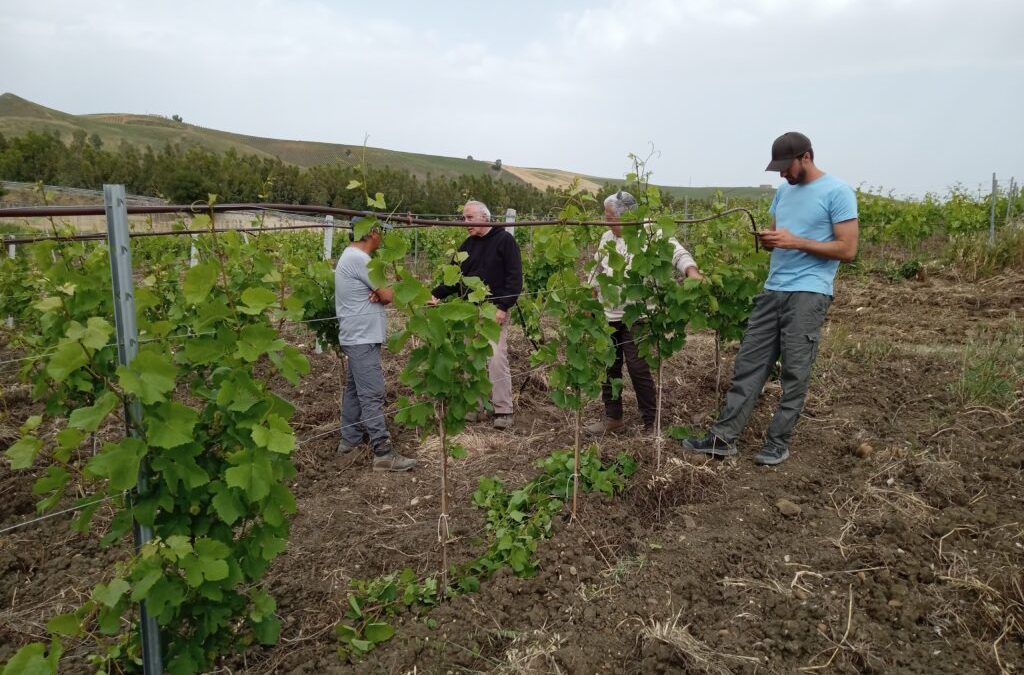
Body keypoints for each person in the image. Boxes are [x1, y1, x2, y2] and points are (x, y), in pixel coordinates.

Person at [682, 131, 859, 465]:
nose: (781, 174)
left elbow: (848, 249)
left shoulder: (838, 192)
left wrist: (796, 242)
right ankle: (723, 438)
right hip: (773, 288)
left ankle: (777, 442)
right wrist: (771, 241)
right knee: (748, 364)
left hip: (809, 292)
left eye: (786, 167)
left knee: (794, 370)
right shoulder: (783, 193)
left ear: (806, 157)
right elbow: (781, 236)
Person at [586, 190, 702, 435]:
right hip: (609, 314)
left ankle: (652, 421)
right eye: (606, 217)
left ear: (628, 218)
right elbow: (596, 272)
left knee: (638, 367)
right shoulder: (607, 237)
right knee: (609, 366)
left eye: (610, 218)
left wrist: (691, 272)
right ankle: (613, 417)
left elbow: (678, 253)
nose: (606, 222)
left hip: (639, 313)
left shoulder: (651, 233)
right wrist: (591, 299)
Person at [431, 200, 523, 430]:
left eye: (469, 218)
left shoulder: (505, 241)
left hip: (493, 310)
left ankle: (503, 410)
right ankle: (477, 406)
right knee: (471, 358)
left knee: (496, 358)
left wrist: (503, 307)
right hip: (469, 311)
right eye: (464, 218)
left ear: (485, 217)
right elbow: (453, 280)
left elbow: (514, 278)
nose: (465, 223)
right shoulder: (467, 245)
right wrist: (436, 295)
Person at [335, 217, 417, 471]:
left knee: (354, 390)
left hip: (357, 335)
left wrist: (380, 293)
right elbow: (389, 295)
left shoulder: (350, 258)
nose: (383, 238)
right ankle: (383, 453)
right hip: (362, 337)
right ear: (371, 233)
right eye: (381, 232)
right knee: (372, 393)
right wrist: (388, 291)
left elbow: (381, 294)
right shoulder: (359, 259)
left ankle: (349, 442)